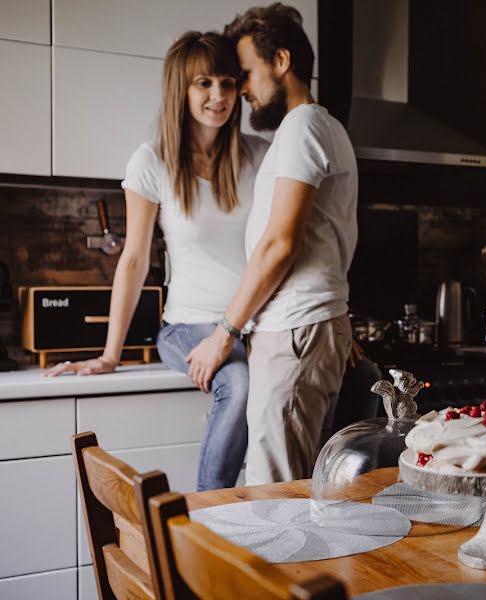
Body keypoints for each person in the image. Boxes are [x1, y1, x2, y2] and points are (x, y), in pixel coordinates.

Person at [46, 31, 269, 492]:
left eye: (228, 83)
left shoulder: (259, 156)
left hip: (253, 326)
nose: (219, 96)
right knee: (240, 383)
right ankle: (211, 519)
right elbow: (133, 260)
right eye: (203, 83)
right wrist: (111, 354)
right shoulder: (153, 162)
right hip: (188, 326)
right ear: (180, 89)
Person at [186, 3, 357, 484]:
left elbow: (280, 245)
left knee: (274, 497)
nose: (241, 90)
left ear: (281, 62)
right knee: (293, 488)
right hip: (302, 329)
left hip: (295, 332)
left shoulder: (303, 127)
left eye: (245, 75)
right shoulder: (315, 129)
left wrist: (225, 333)